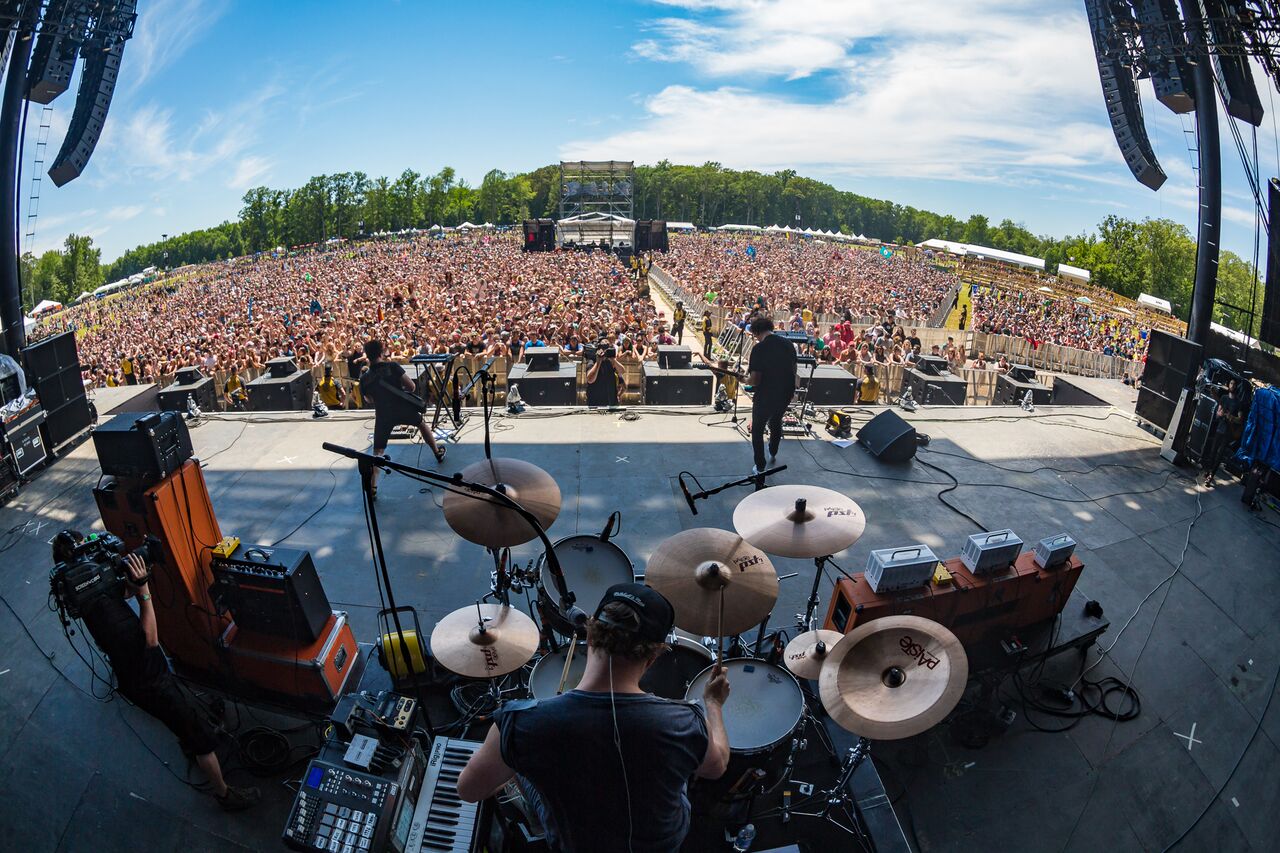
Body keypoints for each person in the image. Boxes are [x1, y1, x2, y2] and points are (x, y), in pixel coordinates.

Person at [457, 583, 731, 853]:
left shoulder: (519, 723)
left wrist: (517, 756)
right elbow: (715, 766)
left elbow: (469, 790)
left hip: (574, 844)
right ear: (655, 655)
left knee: (521, 764)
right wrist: (713, 704)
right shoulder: (684, 722)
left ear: (589, 635)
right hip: (662, 844)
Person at [51, 530, 260, 811]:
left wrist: (132, 580)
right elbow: (149, 640)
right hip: (151, 683)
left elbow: (116, 592)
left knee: (178, 720)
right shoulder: (115, 623)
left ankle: (186, 736)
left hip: (136, 676)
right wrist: (144, 593)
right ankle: (224, 794)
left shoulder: (86, 597)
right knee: (201, 740)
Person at [358, 340, 445, 499]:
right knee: (421, 424)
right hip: (403, 408)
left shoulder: (364, 378)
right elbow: (411, 387)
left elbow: (369, 400)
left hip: (383, 415)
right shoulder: (393, 367)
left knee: (377, 451)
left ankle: (373, 488)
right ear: (381, 353)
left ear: (368, 356)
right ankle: (437, 452)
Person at [745, 315, 797, 475]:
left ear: (757, 332)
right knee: (776, 421)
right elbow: (794, 370)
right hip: (785, 393)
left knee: (758, 429)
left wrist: (744, 378)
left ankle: (760, 467)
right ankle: (773, 450)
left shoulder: (759, 349)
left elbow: (754, 380)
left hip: (766, 395)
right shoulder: (788, 344)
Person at [585, 342, 624, 407]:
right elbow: (590, 380)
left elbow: (622, 371)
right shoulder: (592, 361)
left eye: (607, 349)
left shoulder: (610, 361)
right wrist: (598, 362)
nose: (605, 352)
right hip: (595, 403)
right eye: (603, 349)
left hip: (611, 402)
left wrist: (613, 360)